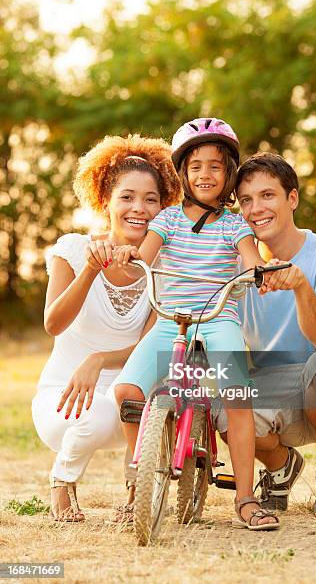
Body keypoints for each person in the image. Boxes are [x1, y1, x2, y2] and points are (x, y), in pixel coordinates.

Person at [111, 118, 279, 530]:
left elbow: (251, 257)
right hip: (173, 321)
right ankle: (138, 486)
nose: (205, 174)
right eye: (196, 166)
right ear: (183, 173)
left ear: (229, 174)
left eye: (216, 166)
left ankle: (244, 498)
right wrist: (130, 257)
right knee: (127, 390)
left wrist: (261, 270)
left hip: (218, 319)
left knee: (238, 398)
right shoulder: (166, 221)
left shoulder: (234, 225)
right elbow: (146, 257)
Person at [214, 152, 316, 517]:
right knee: (225, 409)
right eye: (246, 200)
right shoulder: (235, 266)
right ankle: (280, 466)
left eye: (267, 195)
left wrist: (302, 286)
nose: (256, 208)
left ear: (292, 198)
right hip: (276, 386)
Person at [32, 134, 182, 522]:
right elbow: (54, 323)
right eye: (127, 197)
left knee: (120, 407)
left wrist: (100, 359)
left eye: (152, 200)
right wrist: (90, 269)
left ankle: (136, 490)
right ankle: (62, 483)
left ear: (163, 207)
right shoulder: (71, 249)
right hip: (64, 398)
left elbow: (152, 342)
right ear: (105, 202)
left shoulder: (165, 266)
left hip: (129, 400)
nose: (139, 209)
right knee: (92, 418)